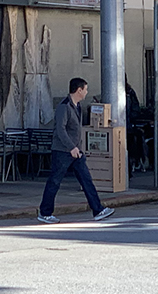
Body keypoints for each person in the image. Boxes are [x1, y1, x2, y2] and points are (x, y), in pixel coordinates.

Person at [38, 77, 114, 223]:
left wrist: (77, 148)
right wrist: (71, 147)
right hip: (63, 151)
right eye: (85, 89)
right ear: (79, 90)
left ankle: (98, 209)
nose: (87, 92)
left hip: (76, 152)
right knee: (54, 181)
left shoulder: (77, 106)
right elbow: (60, 129)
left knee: (86, 179)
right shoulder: (64, 106)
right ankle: (45, 212)